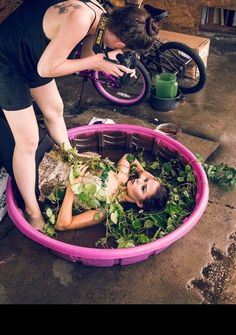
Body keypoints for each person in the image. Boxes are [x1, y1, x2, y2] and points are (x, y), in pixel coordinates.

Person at [0, 1, 159, 231]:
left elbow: (85, 54)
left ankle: (68, 157)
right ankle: (32, 210)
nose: (125, 54)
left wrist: (107, 58)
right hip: (8, 59)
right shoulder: (81, 18)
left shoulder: (103, 18)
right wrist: (97, 62)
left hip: (32, 55)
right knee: (28, 140)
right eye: (126, 51)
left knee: (55, 109)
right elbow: (47, 69)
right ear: (121, 43)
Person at [50, 150, 168, 231]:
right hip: (58, 155)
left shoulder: (104, 209)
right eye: (145, 180)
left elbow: (62, 225)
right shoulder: (122, 177)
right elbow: (129, 157)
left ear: (140, 203)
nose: (139, 181)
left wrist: (72, 187)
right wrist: (142, 172)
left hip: (48, 178)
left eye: (143, 188)